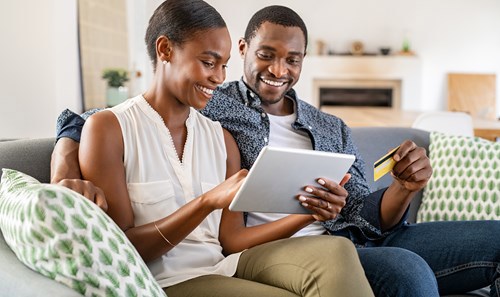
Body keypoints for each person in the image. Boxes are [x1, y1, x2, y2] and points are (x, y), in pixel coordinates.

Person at [52, 4, 500, 297]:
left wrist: (403, 188)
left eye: (293, 59)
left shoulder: (328, 127)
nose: (278, 70)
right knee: (407, 272)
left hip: (354, 236)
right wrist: (64, 166)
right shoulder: (215, 102)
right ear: (245, 50)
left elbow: (365, 213)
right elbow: (88, 120)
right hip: (267, 254)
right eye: (266, 54)